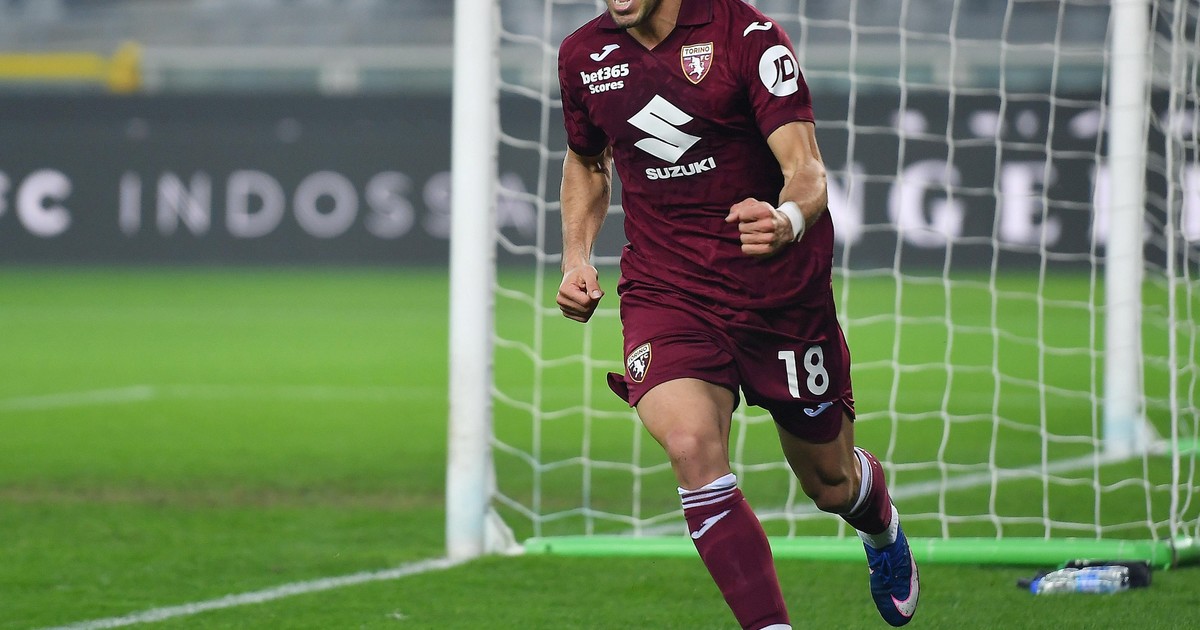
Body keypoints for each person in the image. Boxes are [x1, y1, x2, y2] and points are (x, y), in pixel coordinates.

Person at [555, 0, 919, 628]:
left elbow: (806, 169)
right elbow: (587, 160)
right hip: (667, 290)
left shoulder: (749, 37)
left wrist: (787, 219)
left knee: (830, 483)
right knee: (690, 445)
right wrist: (576, 258)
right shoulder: (583, 55)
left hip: (778, 295)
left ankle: (878, 520)